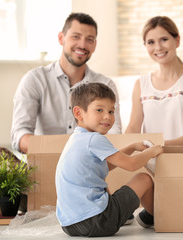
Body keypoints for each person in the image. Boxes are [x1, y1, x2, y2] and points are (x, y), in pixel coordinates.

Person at [55, 82, 163, 237]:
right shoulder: (94, 139)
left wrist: (132, 147)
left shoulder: (77, 139)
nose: (107, 116)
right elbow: (131, 165)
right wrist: (152, 151)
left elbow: (106, 164)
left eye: (111, 111)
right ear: (79, 113)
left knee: (102, 186)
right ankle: (151, 218)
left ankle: (121, 214)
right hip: (97, 220)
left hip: (70, 223)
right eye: (99, 110)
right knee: (144, 179)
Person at [11, 12, 121, 154]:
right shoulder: (34, 80)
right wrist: (65, 151)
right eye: (76, 36)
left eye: (89, 39)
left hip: (90, 169)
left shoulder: (106, 85)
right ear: (61, 38)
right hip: (44, 166)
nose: (82, 45)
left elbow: (115, 135)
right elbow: (19, 136)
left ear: (94, 45)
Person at [125, 16, 183, 145]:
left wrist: (155, 146)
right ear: (145, 46)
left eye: (164, 40)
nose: (158, 47)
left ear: (177, 41)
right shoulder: (141, 84)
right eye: (151, 42)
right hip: (151, 160)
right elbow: (133, 128)